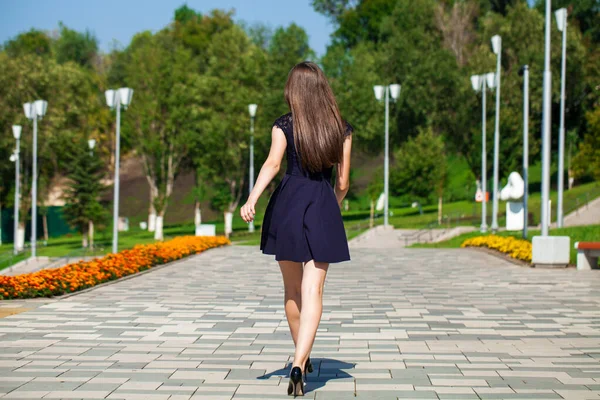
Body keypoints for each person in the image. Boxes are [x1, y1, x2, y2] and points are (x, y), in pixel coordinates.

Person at [240, 61, 353, 397]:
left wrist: (252, 199)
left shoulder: (283, 125)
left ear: (293, 90)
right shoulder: (341, 130)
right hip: (321, 202)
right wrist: (333, 204)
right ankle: (299, 361)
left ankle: (300, 362)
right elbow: (343, 182)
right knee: (313, 291)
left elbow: (273, 163)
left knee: (292, 291)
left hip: (287, 205)